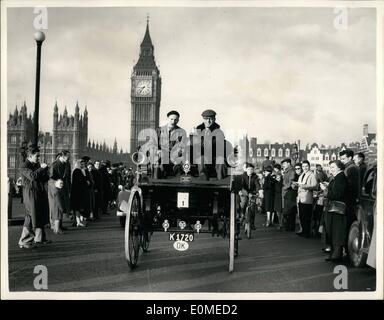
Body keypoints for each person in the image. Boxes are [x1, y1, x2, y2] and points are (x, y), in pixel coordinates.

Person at [18, 145, 51, 248]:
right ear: (30, 155)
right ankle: (24, 241)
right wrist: (41, 168)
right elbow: (32, 176)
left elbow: (43, 178)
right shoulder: (24, 165)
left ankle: (39, 238)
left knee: (39, 214)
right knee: (32, 216)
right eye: (37, 156)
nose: (38, 157)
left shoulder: (35, 165)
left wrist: (46, 171)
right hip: (30, 194)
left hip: (38, 192)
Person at [320, 160, 348, 262]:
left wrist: (325, 190)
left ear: (339, 168)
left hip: (336, 210)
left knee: (336, 232)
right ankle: (334, 254)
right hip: (334, 209)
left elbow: (336, 194)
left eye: (332, 167)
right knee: (333, 231)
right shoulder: (337, 178)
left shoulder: (340, 178)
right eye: (330, 167)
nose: (330, 169)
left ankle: (336, 255)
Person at [194, 109, 231, 180]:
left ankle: (221, 182)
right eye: (206, 119)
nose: (208, 121)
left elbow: (217, 146)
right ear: (203, 119)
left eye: (210, 119)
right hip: (202, 156)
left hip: (215, 157)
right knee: (201, 158)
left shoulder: (219, 132)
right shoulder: (197, 131)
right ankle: (203, 180)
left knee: (221, 160)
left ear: (214, 119)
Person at [156, 110, 187, 178]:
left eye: (175, 119)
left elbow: (183, 145)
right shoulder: (159, 130)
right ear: (168, 119)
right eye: (171, 119)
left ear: (178, 120)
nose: (173, 121)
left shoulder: (182, 132)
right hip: (162, 155)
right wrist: (157, 150)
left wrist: (178, 152)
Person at [48, 150, 71, 234]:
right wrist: (56, 182)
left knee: (62, 206)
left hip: (62, 188)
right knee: (57, 207)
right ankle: (56, 228)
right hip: (55, 188)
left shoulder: (65, 164)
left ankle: (60, 225)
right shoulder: (55, 164)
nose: (69, 158)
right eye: (68, 157)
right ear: (62, 156)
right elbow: (50, 177)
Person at [296, 160, 318, 238]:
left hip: (307, 198)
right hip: (301, 197)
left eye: (306, 166)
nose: (304, 168)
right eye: (303, 166)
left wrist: (305, 186)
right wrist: (295, 185)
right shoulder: (302, 175)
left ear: (309, 167)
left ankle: (307, 232)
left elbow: (315, 186)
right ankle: (303, 230)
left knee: (307, 216)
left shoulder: (312, 175)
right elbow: (299, 185)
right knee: (302, 216)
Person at [339, 149, 359, 232]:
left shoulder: (351, 168)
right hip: (348, 200)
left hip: (348, 200)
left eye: (343, 159)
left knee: (348, 222)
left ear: (350, 158)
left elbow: (351, 186)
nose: (341, 161)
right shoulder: (349, 167)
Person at [70, 157, 92, 227]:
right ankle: (78, 221)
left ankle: (78, 221)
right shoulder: (77, 171)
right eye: (81, 164)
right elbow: (80, 181)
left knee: (78, 207)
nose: (83, 165)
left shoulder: (79, 171)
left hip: (79, 192)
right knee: (77, 207)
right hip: (77, 192)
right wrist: (86, 182)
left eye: (83, 164)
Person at [239, 163, 261, 230]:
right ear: (246, 169)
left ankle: (252, 224)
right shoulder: (243, 176)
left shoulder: (255, 176)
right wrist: (245, 192)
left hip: (252, 193)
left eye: (251, 169)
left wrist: (259, 191)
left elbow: (257, 185)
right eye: (248, 169)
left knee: (252, 208)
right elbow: (242, 186)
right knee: (244, 203)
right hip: (244, 193)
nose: (250, 171)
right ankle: (242, 215)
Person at [281, 158, 296, 231]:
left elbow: (291, 181)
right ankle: (288, 226)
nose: (283, 165)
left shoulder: (291, 171)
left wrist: (284, 187)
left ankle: (289, 227)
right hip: (287, 193)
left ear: (288, 163)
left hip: (289, 192)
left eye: (284, 163)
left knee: (289, 210)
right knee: (287, 210)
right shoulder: (287, 171)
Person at [272, 164, 283, 230]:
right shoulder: (275, 183)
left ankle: (280, 224)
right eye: (277, 178)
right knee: (278, 212)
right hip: (277, 198)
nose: (278, 179)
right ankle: (280, 223)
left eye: (279, 178)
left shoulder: (280, 183)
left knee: (279, 212)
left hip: (279, 198)